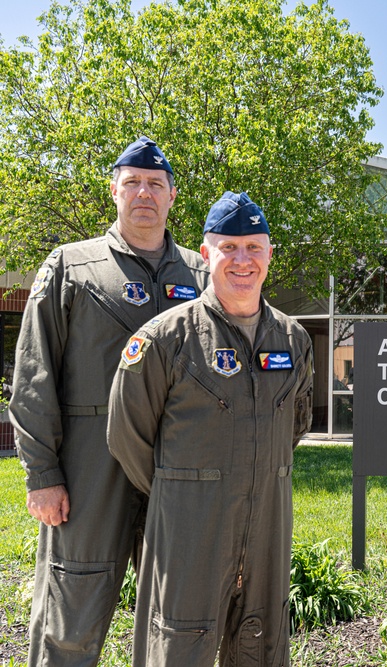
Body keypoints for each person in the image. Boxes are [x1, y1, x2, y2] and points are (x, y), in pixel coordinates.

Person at [9, 136, 209, 666]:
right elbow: (34, 374)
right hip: (88, 465)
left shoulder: (204, 275)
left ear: (171, 197)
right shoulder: (72, 267)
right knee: (70, 610)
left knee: (178, 612)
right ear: (115, 191)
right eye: (133, 183)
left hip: (177, 466)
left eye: (155, 184)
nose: (144, 192)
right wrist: (42, 473)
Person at [107, 191, 314, 666]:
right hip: (189, 535)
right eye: (229, 248)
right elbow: (127, 436)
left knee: (261, 647)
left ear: (268, 254)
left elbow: (293, 426)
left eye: (254, 248)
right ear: (206, 255)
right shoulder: (163, 339)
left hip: (267, 531)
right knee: (179, 647)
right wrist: (185, 489)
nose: (242, 260)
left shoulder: (294, 340)